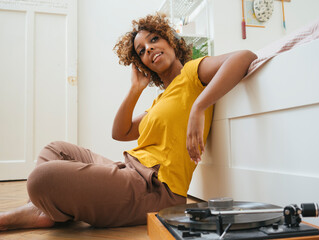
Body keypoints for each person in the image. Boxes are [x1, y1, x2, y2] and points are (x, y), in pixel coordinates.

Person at [0, 13, 257, 231]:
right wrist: (135, 89)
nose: (150, 49)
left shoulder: (191, 73)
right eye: (142, 51)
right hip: (128, 169)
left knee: (41, 178)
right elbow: (119, 132)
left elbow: (244, 56)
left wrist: (199, 107)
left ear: (170, 40)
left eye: (154, 39)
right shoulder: (161, 100)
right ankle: (48, 210)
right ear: (142, 63)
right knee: (54, 149)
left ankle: (46, 210)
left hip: (154, 189)